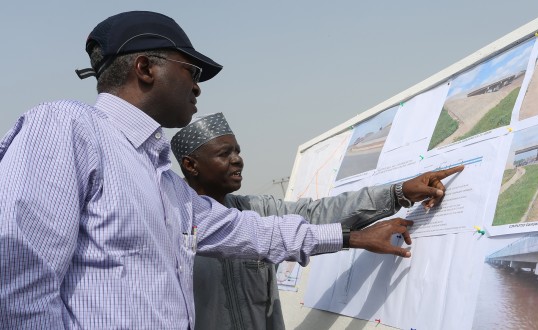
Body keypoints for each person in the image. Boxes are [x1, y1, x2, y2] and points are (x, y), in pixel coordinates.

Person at [0, 11, 422, 329]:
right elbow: (18, 274)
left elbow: (252, 231)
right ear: (146, 68)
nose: (198, 86)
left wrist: (353, 236)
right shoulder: (66, 126)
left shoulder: (161, 178)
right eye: (192, 71)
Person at [170, 112, 465, 329]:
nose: (238, 160)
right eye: (225, 154)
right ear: (191, 165)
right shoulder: (171, 230)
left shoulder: (256, 210)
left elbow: (317, 214)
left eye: (238, 151)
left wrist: (398, 192)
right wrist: (355, 238)